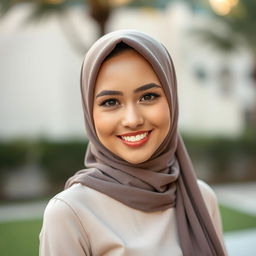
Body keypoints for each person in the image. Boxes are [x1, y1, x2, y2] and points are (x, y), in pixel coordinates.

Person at [39, 30, 227, 256]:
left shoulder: (202, 198)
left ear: (171, 99)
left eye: (148, 97)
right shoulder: (70, 214)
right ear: (89, 113)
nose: (133, 120)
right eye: (110, 102)